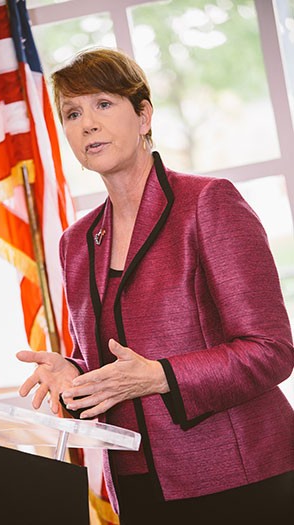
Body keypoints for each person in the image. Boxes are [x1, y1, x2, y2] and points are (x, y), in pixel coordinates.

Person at [17, 47, 294, 524]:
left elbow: (271, 349)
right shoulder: (75, 243)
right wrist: (71, 374)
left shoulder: (208, 203)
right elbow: (118, 366)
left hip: (240, 479)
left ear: (144, 115)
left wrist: (162, 375)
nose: (87, 124)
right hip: (138, 490)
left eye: (104, 104)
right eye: (72, 113)